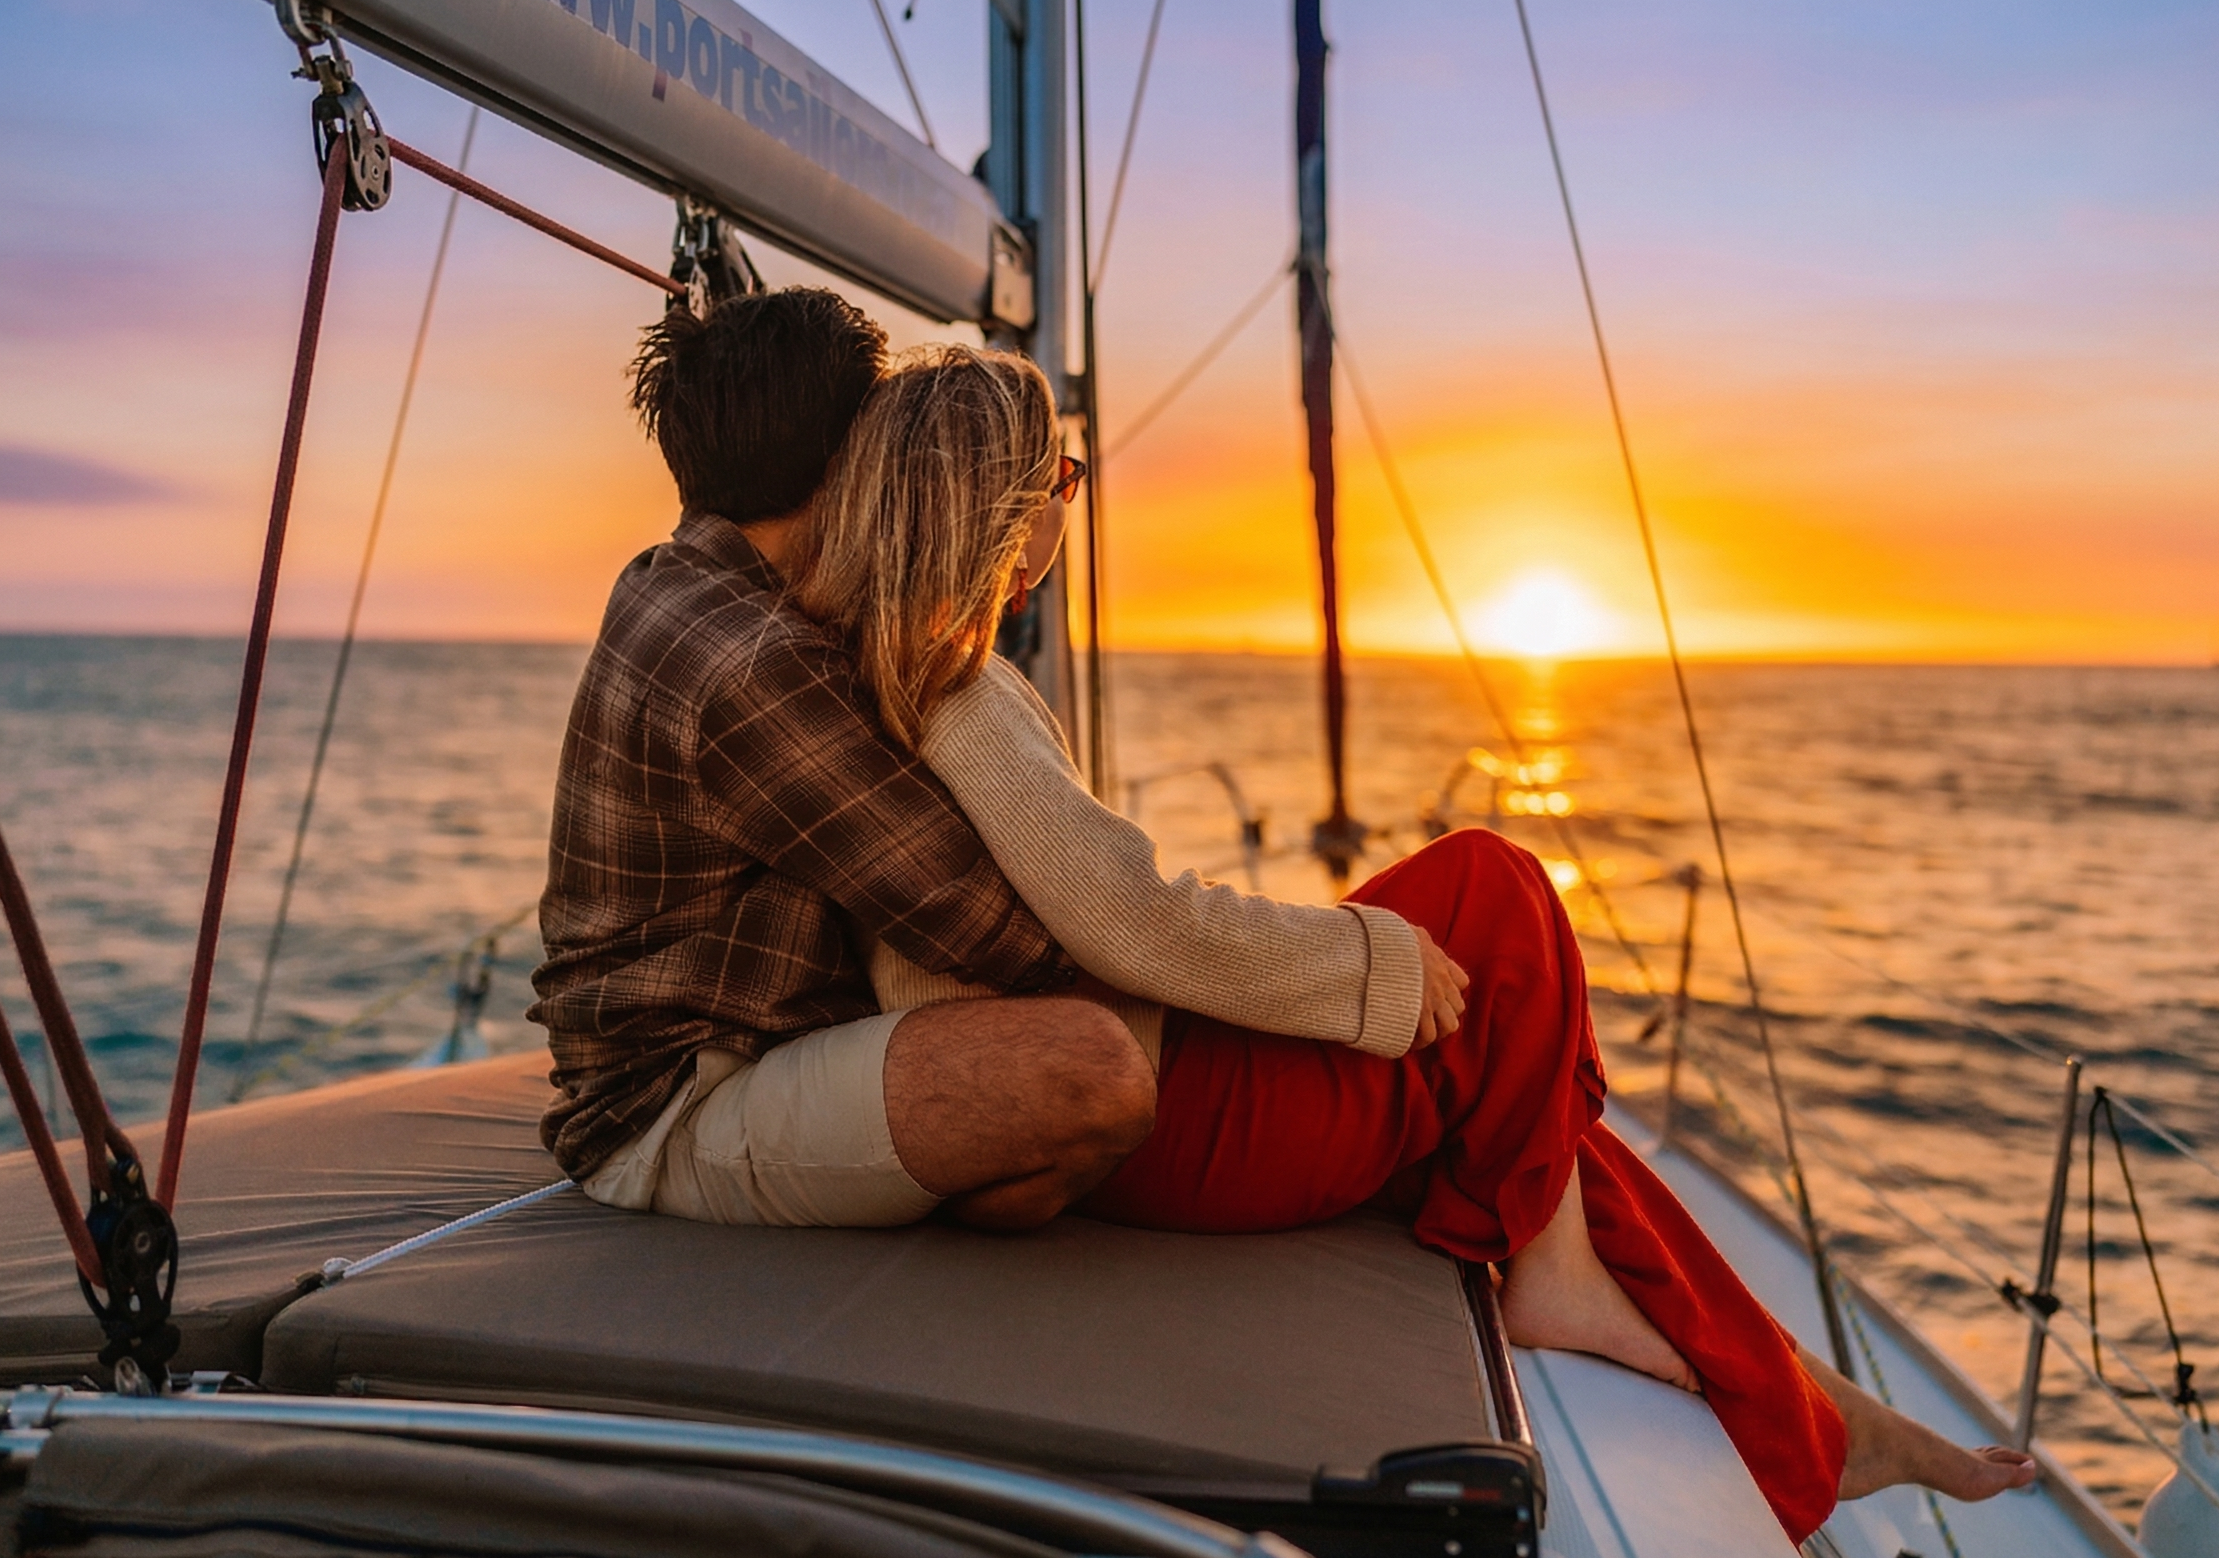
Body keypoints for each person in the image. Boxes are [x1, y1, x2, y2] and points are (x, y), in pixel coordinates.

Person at [785, 341, 2040, 1544]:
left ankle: (1814, 1414)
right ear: (999, 502)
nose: (1073, 501)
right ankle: (1599, 1302)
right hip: (1167, 1120)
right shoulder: (956, 691)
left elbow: (1100, 912)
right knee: (1492, 888)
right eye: (1061, 476)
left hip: (1142, 1091)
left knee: (1548, 1132)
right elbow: (1129, 914)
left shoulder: (903, 677)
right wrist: (1362, 969)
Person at [530, 287, 1162, 1237]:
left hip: (729, 1052)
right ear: (848, 458)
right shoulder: (753, 660)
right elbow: (982, 921)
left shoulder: (678, 577)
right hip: (678, 1107)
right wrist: (1191, 956)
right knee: (1092, 1072)